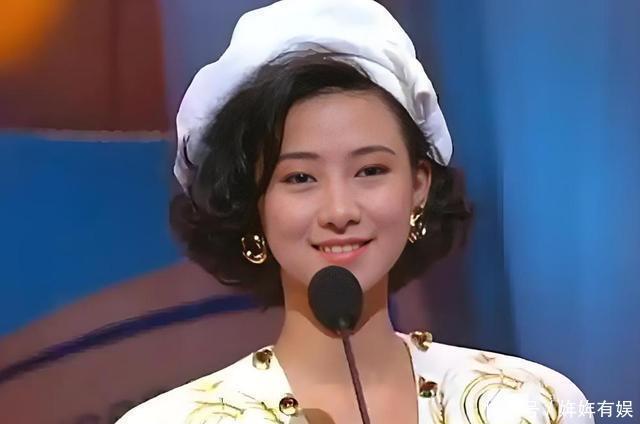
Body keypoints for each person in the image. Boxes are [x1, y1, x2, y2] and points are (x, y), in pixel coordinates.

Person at [117, 1, 593, 423]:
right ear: (251, 205)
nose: (340, 210)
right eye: (299, 178)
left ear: (419, 186)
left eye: (370, 170)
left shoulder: (532, 403)